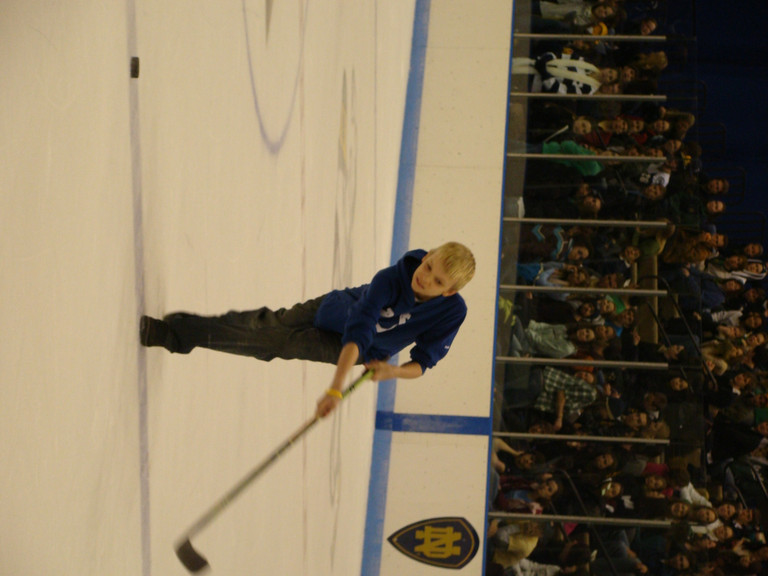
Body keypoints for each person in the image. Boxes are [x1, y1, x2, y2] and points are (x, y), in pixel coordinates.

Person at [140, 242, 476, 418]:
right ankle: (189, 330)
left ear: (448, 291)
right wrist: (335, 389)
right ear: (428, 254)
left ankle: (179, 335)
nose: (425, 276)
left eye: (437, 280)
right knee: (266, 328)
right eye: (428, 265)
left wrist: (392, 371)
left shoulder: (451, 312)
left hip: (351, 348)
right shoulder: (392, 279)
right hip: (333, 310)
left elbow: (423, 363)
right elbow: (358, 331)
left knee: (274, 341)